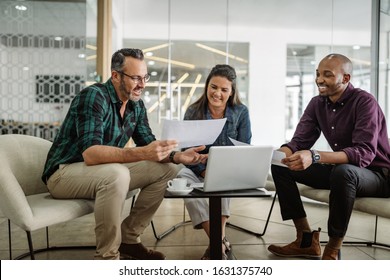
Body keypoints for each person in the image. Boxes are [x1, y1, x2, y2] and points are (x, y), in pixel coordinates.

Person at [42, 48, 207, 260]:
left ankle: (129, 238)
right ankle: (108, 258)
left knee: (167, 169)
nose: (143, 84)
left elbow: (149, 144)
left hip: (102, 173)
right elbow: (91, 154)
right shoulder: (93, 96)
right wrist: (141, 153)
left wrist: (177, 156)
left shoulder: (135, 106)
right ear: (115, 75)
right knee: (116, 175)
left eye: (144, 77)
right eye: (136, 78)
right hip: (63, 174)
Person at [268, 53, 390, 260]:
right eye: (317, 74)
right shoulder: (318, 103)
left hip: (377, 175)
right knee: (282, 165)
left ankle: (332, 250)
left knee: (344, 172)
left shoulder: (364, 102)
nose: (319, 80)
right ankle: (305, 240)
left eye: (327, 75)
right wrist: (274, 156)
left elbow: (364, 154)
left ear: (346, 78)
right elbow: (298, 142)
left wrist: (315, 156)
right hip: (343, 173)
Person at [177, 64, 252, 260]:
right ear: (207, 86)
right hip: (197, 169)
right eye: (213, 87)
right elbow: (185, 151)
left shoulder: (241, 112)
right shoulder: (193, 111)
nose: (217, 93)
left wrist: (218, 162)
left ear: (231, 92)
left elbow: (244, 147)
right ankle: (220, 242)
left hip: (227, 168)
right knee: (183, 179)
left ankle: (215, 245)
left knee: (222, 177)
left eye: (224, 89)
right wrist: (203, 170)